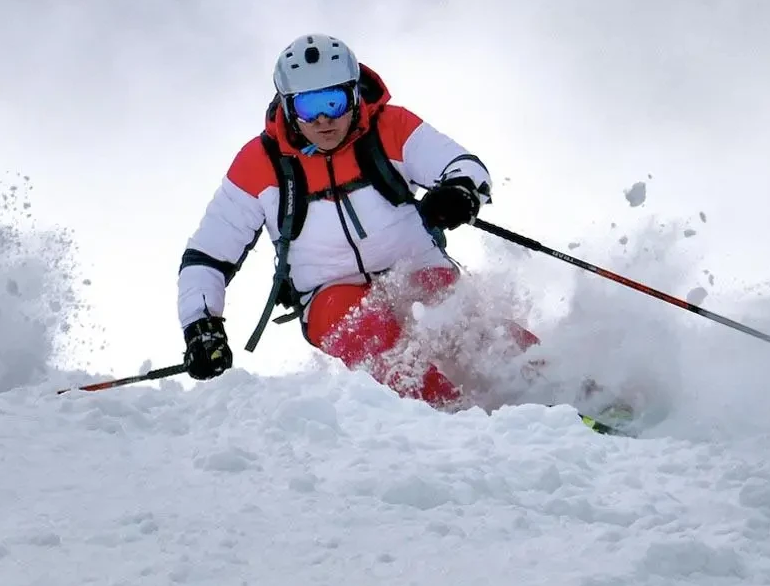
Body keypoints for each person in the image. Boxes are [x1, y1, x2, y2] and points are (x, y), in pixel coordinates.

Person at [176, 33, 538, 410]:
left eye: (332, 102)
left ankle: (555, 389)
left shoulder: (390, 127)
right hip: (330, 292)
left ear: (352, 94)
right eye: (307, 106)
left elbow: (462, 165)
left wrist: (460, 191)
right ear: (287, 106)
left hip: (413, 268)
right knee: (370, 334)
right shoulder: (260, 163)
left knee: (463, 324)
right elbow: (207, 255)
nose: (322, 120)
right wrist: (200, 325)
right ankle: (453, 418)